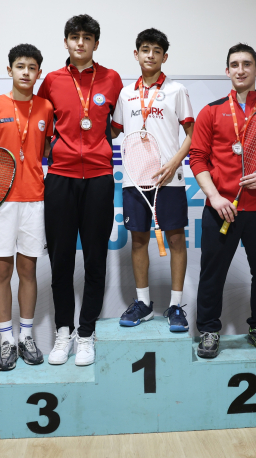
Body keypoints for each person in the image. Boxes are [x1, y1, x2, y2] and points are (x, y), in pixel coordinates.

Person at [189, 43, 256, 358]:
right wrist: (214, 196)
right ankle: (209, 329)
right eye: (234, 64)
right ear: (227, 71)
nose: (240, 69)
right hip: (220, 210)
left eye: (247, 64)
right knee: (212, 274)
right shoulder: (211, 111)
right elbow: (197, 158)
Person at [37, 14, 124, 366]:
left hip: (100, 178)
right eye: (74, 37)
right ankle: (64, 331)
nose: (80, 43)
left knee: (95, 260)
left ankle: (86, 333)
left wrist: (95, 145)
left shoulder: (112, 79)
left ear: (96, 44)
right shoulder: (52, 80)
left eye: (87, 37)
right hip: (60, 178)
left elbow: (116, 127)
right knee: (60, 261)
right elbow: (40, 125)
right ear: (66, 42)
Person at [0, 43, 54, 371]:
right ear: (10, 70)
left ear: (39, 73)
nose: (26, 72)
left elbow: (45, 151)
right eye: (20, 66)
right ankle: (7, 339)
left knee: (28, 271)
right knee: (2, 272)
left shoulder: (46, 108)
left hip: (34, 200)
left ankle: (26, 337)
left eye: (32, 68)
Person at [110, 28, 195, 332]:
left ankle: (176, 306)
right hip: (135, 179)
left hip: (169, 179)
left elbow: (192, 133)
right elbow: (113, 130)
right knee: (138, 240)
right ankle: (143, 304)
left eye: (157, 51)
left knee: (176, 240)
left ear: (164, 57)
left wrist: (175, 162)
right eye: (145, 49)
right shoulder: (125, 93)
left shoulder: (176, 90)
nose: (150, 55)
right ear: (136, 54)